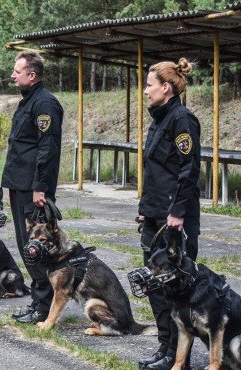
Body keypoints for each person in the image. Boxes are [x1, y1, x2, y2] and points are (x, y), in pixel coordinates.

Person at [137, 58, 201, 370]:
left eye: (149, 85)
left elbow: (189, 171)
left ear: (165, 87)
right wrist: (144, 211)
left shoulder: (182, 120)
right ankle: (165, 349)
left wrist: (177, 212)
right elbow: (156, 171)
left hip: (175, 221)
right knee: (155, 287)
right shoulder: (159, 119)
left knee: (178, 291)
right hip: (155, 216)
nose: (145, 91)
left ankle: (180, 358)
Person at [2, 50, 63, 324]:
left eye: (17, 71)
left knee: (35, 248)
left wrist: (40, 187)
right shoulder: (28, 101)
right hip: (20, 185)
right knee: (26, 246)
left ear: (32, 75)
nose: (13, 75)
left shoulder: (45, 104)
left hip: (32, 189)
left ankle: (43, 306)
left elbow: (46, 149)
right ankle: (39, 301)